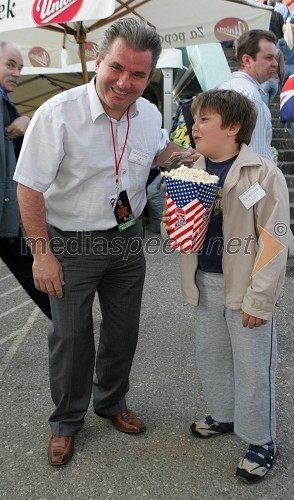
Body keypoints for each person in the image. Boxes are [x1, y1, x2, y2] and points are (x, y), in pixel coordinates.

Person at [13, 18, 199, 467]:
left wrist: (179, 155)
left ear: (149, 75)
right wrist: (42, 255)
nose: (125, 82)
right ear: (99, 60)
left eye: (138, 74)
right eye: (117, 67)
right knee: (72, 337)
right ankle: (66, 423)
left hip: (126, 238)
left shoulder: (150, 112)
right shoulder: (58, 113)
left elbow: (152, 152)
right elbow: (29, 187)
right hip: (70, 243)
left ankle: (111, 402)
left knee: (123, 332)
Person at [162, 89, 290, 482]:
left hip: (246, 286)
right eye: (194, 119)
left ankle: (261, 440)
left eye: (204, 120)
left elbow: (275, 239)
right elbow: (179, 229)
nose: (194, 126)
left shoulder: (262, 173)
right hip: (205, 281)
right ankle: (224, 414)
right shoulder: (192, 168)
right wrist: (176, 222)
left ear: (233, 127)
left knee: (252, 367)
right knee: (212, 357)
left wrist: (260, 300)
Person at [0, 41, 52, 320]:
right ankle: (68, 320)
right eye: (10, 64)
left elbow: (20, 161)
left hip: (6, 209)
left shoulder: (5, 104)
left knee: (31, 265)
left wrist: (26, 122)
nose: (17, 72)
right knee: (33, 266)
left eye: (20, 67)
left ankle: (67, 319)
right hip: (4, 209)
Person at [219, 30, 278, 162]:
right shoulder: (250, 94)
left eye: (275, 57)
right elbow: (256, 155)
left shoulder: (225, 87)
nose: (275, 63)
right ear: (247, 60)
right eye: (269, 57)